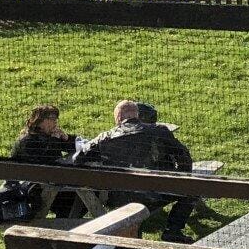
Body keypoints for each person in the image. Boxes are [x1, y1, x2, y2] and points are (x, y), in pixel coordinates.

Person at [74, 100, 199, 241]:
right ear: (137, 115)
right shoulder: (159, 131)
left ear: (118, 118)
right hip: (158, 194)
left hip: (119, 199)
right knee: (194, 188)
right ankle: (173, 230)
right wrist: (178, 179)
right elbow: (184, 158)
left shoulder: (105, 138)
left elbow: (78, 158)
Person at [11, 104, 76, 166]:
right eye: (52, 118)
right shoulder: (28, 141)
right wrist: (54, 139)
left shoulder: (48, 134)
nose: (55, 121)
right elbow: (49, 161)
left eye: (56, 118)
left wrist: (66, 138)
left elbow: (76, 148)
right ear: (40, 121)